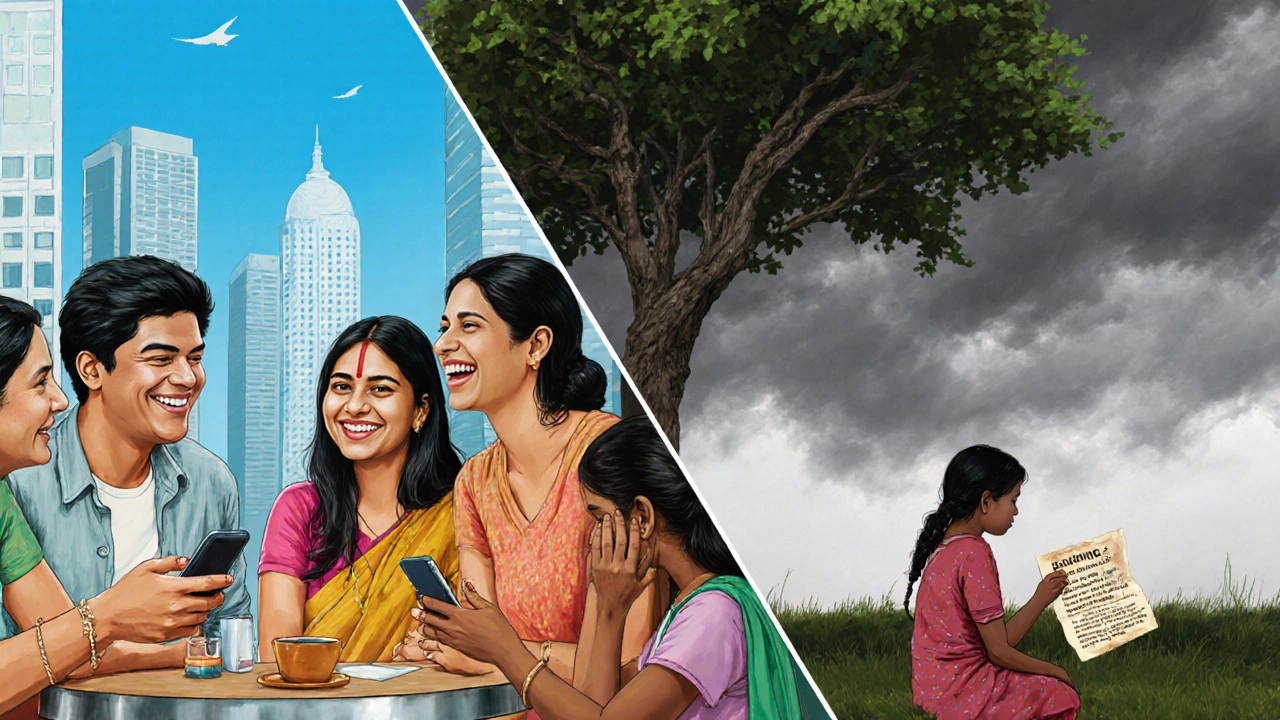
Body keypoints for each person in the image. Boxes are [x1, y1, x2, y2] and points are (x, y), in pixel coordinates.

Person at [409, 415, 819, 719]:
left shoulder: (713, 613)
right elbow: (593, 704)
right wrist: (605, 601)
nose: (591, 537)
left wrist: (506, 650)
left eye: (597, 516)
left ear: (640, 515)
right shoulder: (687, 607)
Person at [399, 254, 660, 701]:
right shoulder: (475, 480)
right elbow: (480, 632)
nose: (443, 345)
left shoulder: (611, 454)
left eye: (469, 326)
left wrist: (503, 652)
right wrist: (452, 643)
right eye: (445, 327)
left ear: (536, 345)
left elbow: (633, 661)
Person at [3, 256, 250, 670]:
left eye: (194, 358)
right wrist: (149, 639)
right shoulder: (19, 479)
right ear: (92, 369)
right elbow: (38, 656)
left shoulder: (211, 482)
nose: (188, 378)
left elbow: (231, 636)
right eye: (160, 359)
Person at [257, 316, 463, 662]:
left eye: (380, 389)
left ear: (421, 410)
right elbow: (279, 658)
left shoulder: (459, 512)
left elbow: (475, 645)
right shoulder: (300, 509)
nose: (354, 406)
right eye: (340, 387)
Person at [905, 445, 1079, 719]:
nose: (1016, 512)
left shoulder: (944, 549)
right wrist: (1053, 670)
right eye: (1013, 500)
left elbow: (997, 642)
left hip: (933, 691)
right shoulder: (974, 554)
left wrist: (1041, 598)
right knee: (1060, 695)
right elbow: (998, 652)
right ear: (986, 502)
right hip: (964, 694)